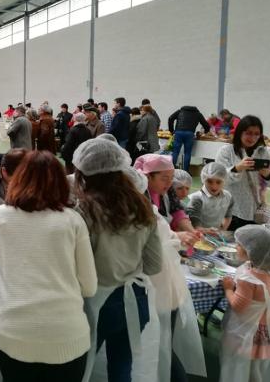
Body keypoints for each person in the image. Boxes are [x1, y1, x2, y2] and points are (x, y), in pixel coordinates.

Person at [0, 150, 97, 382]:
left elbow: (3, 263)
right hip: (65, 333)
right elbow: (89, 287)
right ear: (61, 181)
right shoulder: (72, 221)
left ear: (17, 177)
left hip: (13, 330)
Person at [72, 139, 161, 382]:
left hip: (96, 305)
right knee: (122, 370)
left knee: (83, 369)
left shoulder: (84, 211)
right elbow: (154, 265)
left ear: (83, 173)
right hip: (135, 301)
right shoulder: (143, 204)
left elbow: (77, 267)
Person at [126, 167, 207, 382]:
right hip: (159, 288)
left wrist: (180, 237)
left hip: (153, 289)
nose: (169, 184)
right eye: (165, 179)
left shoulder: (139, 213)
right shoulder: (149, 212)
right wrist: (178, 239)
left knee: (155, 345)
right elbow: (165, 240)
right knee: (159, 343)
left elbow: (166, 238)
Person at [220, 226, 270, 382]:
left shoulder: (248, 280)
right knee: (254, 367)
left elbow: (238, 306)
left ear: (251, 251)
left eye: (238, 245)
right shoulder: (267, 273)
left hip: (246, 333)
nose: (236, 247)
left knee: (239, 365)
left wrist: (228, 289)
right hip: (263, 331)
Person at [216, 116, 270, 230]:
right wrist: (237, 168)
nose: (252, 137)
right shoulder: (226, 151)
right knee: (230, 245)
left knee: (251, 245)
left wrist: (267, 175)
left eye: (257, 134)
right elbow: (217, 179)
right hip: (231, 210)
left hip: (256, 211)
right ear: (240, 132)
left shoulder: (263, 152)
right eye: (248, 133)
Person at [134, 154, 199, 248]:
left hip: (164, 242)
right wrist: (176, 236)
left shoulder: (168, 188)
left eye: (172, 177)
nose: (169, 183)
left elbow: (177, 211)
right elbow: (149, 228)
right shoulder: (140, 194)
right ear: (147, 177)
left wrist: (192, 232)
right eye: (164, 178)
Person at [187, 162, 234, 231]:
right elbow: (195, 224)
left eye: (218, 182)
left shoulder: (228, 196)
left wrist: (222, 230)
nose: (214, 186)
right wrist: (206, 232)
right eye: (209, 181)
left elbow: (228, 215)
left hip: (216, 235)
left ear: (224, 181)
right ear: (203, 179)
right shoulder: (197, 198)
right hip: (199, 235)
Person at [168, 105, 210, 171]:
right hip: (190, 134)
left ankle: (171, 169)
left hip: (178, 132)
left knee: (175, 152)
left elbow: (170, 118)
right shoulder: (198, 114)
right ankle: (186, 171)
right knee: (187, 153)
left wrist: (171, 130)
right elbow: (206, 125)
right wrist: (206, 131)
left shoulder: (180, 111)